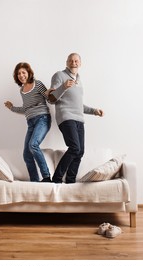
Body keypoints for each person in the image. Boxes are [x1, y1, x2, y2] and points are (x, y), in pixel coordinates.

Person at [45, 53, 104, 183]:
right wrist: (63, 87)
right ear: (67, 62)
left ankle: (71, 180)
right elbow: (51, 99)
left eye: (76, 61)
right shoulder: (59, 75)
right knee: (75, 148)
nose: (74, 62)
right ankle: (57, 178)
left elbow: (78, 105)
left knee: (80, 151)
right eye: (71, 60)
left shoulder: (79, 81)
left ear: (80, 63)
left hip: (79, 119)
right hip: (66, 117)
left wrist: (94, 111)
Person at [4, 62, 52, 182]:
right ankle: (34, 181)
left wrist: (51, 93)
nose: (21, 75)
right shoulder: (22, 90)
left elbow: (50, 100)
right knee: (26, 154)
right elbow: (26, 109)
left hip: (42, 119)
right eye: (19, 73)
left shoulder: (38, 84)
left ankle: (46, 177)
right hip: (30, 122)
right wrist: (12, 107)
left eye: (23, 72)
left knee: (33, 145)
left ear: (29, 73)